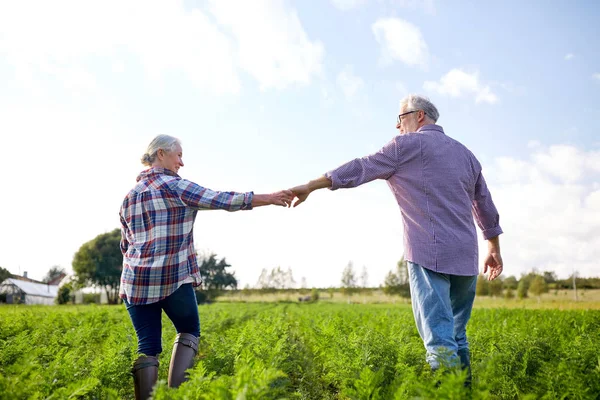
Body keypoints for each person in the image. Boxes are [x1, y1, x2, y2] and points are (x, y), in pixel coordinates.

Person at [290, 94, 503, 387]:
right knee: (457, 335)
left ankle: (447, 395)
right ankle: (465, 394)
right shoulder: (466, 154)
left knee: (439, 341)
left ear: (419, 116)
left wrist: (313, 185)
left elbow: (361, 167)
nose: (396, 126)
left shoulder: (405, 146)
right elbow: (485, 204)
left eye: (400, 118)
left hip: (429, 255)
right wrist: (493, 247)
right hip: (466, 257)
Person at [119, 134, 293, 399]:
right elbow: (220, 199)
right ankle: (176, 396)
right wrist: (268, 197)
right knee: (189, 331)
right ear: (162, 154)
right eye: (179, 155)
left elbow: (126, 244)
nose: (182, 162)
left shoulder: (129, 197)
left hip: (135, 281)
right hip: (172, 278)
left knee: (148, 347)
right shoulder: (175, 187)